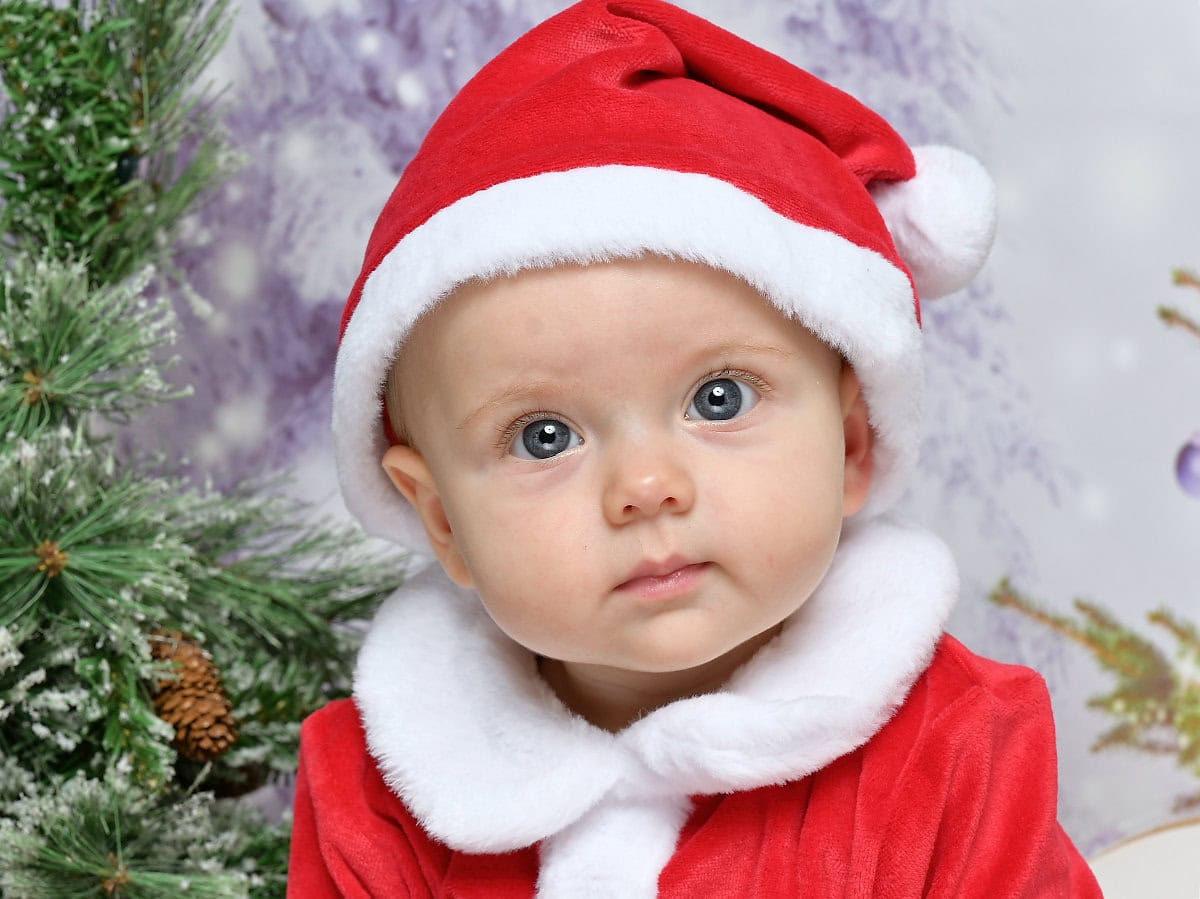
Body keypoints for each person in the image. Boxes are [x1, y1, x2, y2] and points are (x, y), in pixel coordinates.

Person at [287, 1, 1103, 895]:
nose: (646, 485)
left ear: (854, 443)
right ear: (440, 518)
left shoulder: (960, 752)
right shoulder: (377, 792)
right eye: (543, 435)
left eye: (719, 399)